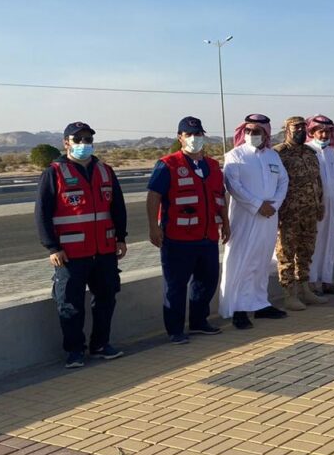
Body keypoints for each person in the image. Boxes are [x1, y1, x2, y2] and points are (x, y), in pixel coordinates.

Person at [36, 121, 127, 368]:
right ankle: (74, 351)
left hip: (104, 250)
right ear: (66, 143)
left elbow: (117, 207)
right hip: (70, 253)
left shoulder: (105, 171)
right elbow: (42, 214)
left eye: (88, 139)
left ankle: (101, 345)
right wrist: (52, 247)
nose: (84, 144)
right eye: (78, 140)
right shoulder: (54, 173)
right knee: (70, 303)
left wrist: (121, 237)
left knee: (106, 298)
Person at [147, 116, 230, 343]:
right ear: (180, 137)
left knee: (207, 280)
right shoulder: (168, 164)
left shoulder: (212, 166)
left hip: (207, 236)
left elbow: (219, 197)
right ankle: (175, 330)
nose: (194, 138)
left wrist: (226, 223)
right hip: (178, 238)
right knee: (175, 285)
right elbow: (154, 196)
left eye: (198, 134)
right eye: (189, 134)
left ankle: (199, 321)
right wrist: (153, 227)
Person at [219, 114, 289, 329]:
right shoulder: (235, 155)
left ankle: (259, 304)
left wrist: (274, 204)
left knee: (262, 260)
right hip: (245, 218)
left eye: (256, 131)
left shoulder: (273, 156)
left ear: (265, 134)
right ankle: (238, 308)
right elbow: (233, 186)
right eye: (248, 131)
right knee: (241, 261)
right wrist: (258, 204)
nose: (251, 134)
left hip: (269, 217)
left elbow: (283, 181)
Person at [274, 116, 327, 310]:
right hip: (289, 213)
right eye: (296, 127)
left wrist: (320, 203)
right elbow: (275, 183)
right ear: (286, 129)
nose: (300, 131)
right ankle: (290, 294)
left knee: (306, 252)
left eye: (303, 127)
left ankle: (305, 289)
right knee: (287, 254)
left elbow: (317, 181)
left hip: (310, 212)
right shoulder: (279, 153)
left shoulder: (310, 153)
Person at [306, 114, 334, 295]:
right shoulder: (307, 152)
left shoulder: (331, 152)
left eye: (327, 132)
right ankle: (312, 282)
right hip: (315, 207)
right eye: (320, 131)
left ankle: (327, 280)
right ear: (312, 132)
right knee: (315, 243)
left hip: (332, 205)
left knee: (330, 242)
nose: (324, 135)